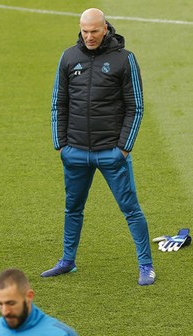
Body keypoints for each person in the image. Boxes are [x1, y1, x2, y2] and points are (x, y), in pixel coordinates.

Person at [43, 8, 156, 285]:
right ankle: (67, 261)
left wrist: (123, 149)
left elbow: (136, 106)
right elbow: (59, 102)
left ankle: (146, 265)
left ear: (105, 28)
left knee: (130, 209)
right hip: (76, 152)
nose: (89, 36)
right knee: (73, 209)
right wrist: (61, 146)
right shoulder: (69, 57)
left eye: (94, 30)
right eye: (85, 31)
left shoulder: (124, 59)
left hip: (111, 153)